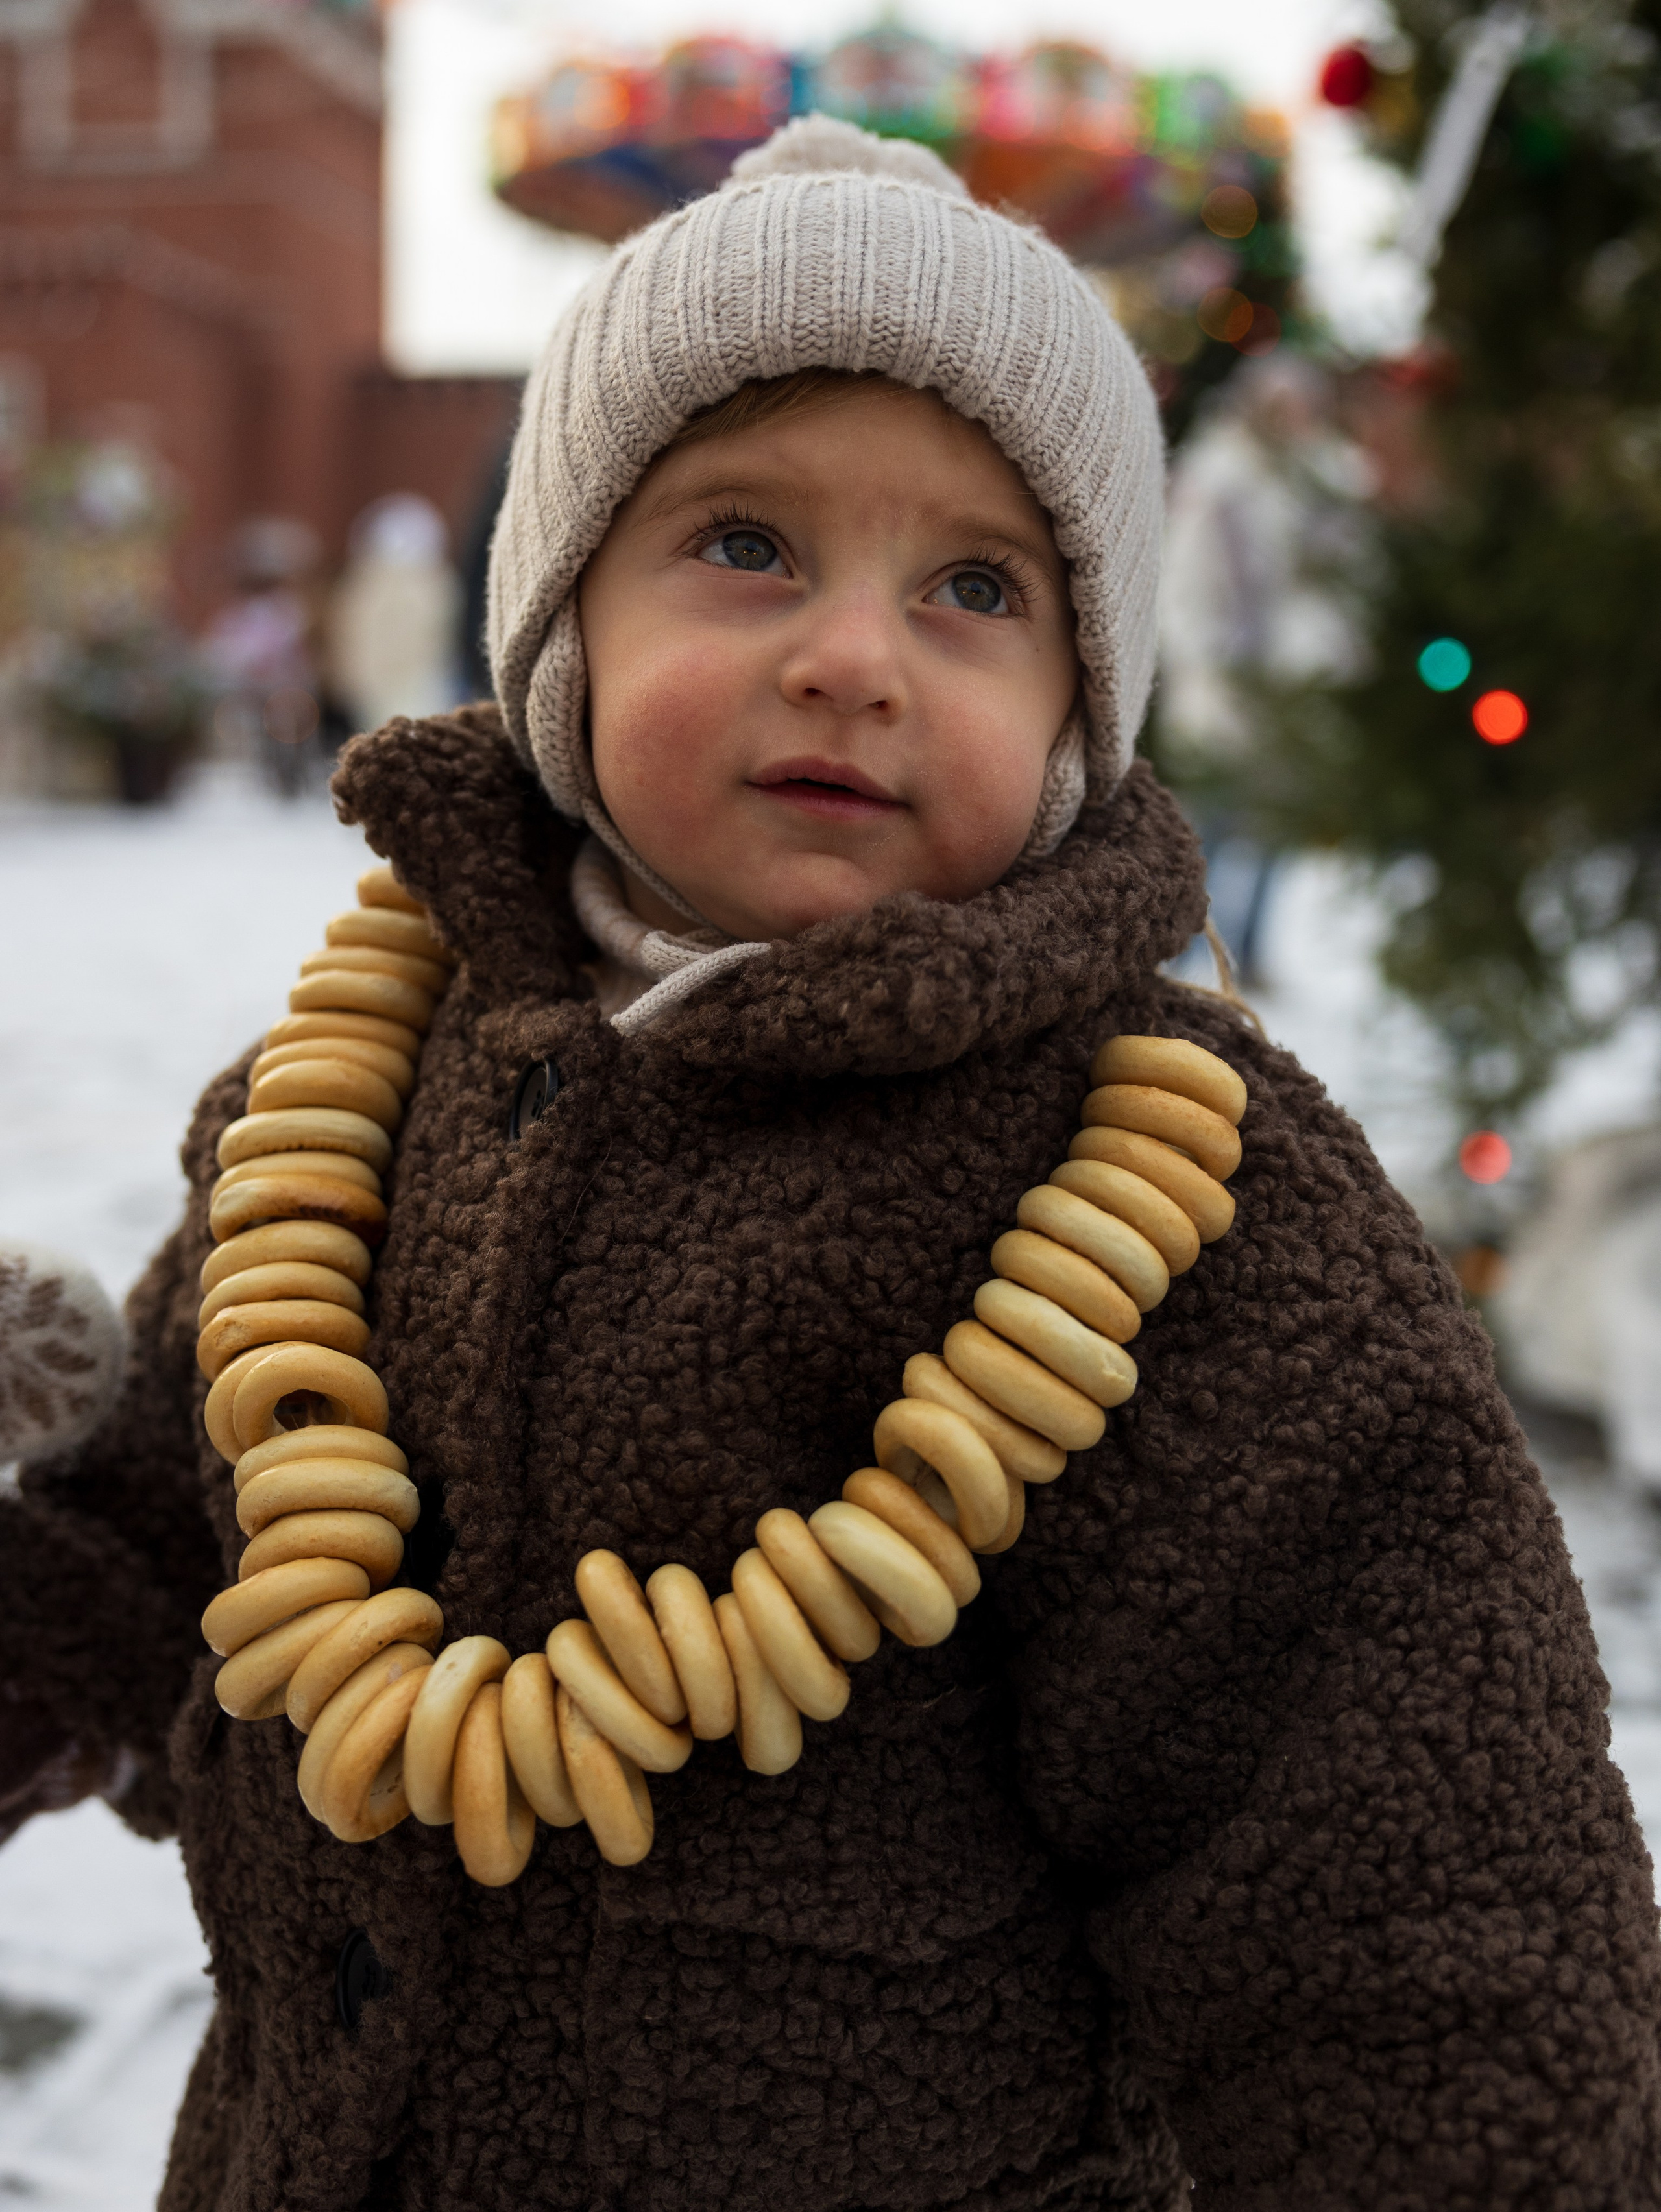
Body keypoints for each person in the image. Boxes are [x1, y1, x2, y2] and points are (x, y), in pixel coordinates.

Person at [1, 117, 1656, 2212]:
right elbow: (171, 1525)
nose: (856, 655)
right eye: (747, 545)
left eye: (977, 586)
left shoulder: (1188, 1212)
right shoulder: (339, 1103)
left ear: (1077, 714)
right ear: (560, 627)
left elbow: (1413, 1893)